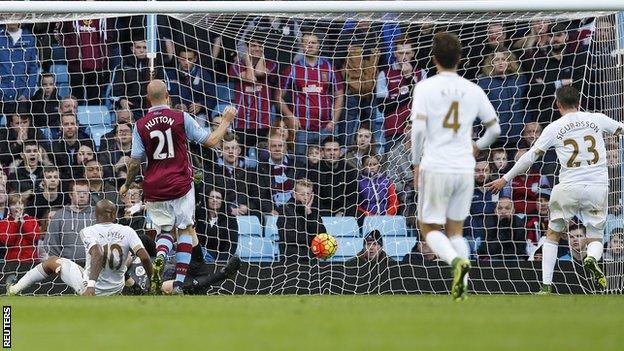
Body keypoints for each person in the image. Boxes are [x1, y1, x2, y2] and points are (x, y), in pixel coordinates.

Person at [487, 85, 623, 293]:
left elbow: (530, 157)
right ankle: (592, 258)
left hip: (568, 187)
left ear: (558, 104)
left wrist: (505, 179)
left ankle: (546, 285)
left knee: (552, 234)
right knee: (595, 236)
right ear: (580, 102)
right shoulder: (597, 119)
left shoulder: (554, 127)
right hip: (597, 187)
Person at [120, 79, 234, 294]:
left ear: (147, 99)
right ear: (168, 97)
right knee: (183, 231)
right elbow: (210, 141)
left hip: (154, 186)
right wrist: (226, 121)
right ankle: (179, 281)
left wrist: (127, 185)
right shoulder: (181, 117)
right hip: (180, 183)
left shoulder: (139, 125)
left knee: (164, 230)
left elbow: (135, 161)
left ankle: (161, 256)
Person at [410, 32, 501, 301]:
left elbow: (417, 131)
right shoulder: (473, 89)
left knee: (428, 229)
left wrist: (416, 164)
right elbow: (494, 129)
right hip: (464, 167)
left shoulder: (425, 87)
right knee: (456, 230)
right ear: (459, 58)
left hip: (436, 164)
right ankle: (463, 288)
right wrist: (476, 147)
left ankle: (455, 263)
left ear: (433, 58)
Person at [6, 199, 153, 296]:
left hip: (93, 289)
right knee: (118, 260)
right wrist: (153, 280)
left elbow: (97, 255)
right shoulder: (128, 230)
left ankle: (13, 290)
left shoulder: (88, 231)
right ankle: (135, 288)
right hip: (116, 287)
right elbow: (145, 257)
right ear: (114, 214)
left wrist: (91, 286)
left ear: (95, 215)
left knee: (51, 261)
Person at [278, 31, 344, 155]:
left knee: (326, 166)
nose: (310, 45)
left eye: (313, 43)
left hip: (325, 128)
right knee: (302, 165)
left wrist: (334, 121)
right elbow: (278, 96)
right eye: (306, 43)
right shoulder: (293, 69)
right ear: (301, 46)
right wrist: (290, 116)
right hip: (302, 129)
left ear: (319, 45)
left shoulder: (329, 68)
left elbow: (339, 95)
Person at [229, 34, 277, 149]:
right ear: (247, 47)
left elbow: (260, 73)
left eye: (260, 46)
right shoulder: (236, 66)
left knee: (263, 158)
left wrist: (261, 57)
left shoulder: (272, 64)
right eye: (253, 45)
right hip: (242, 122)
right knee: (241, 156)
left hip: (263, 123)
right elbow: (251, 79)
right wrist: (247, 58)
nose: (257, 48)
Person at [42, 180, 95, 267]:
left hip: (94, 266)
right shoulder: (59, 215)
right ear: (70, 195)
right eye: (78, 193)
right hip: (67, 267)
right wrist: (61, 263)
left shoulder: (97, 215)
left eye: (85, 193)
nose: (82, 196)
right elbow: (50, 243)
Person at [277, 178, 324, 261]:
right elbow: (290, 237)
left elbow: (322, 235)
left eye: (308, 194)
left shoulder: (313, 212)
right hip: (291, 260)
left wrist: (309, 214)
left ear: (312, 195)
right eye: (302, 194)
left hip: (312, 259)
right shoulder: (285, 210)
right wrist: (313, 238)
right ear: (294, 194)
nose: (306, 198)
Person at [0, 22, 39, 114]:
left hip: (21, 96)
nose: (13, 17)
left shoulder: (29, 38)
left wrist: (27, 93)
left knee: (20, 126)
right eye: (10, 14)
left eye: (16, 14)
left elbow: (33, 69)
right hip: (1, 93)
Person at [195, 188, 238, 262]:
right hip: (199, 257)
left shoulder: (230, 219)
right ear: (207, 199)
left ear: (222, 201)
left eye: (218, 198)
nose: (214, 200)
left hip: (220, 258)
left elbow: (231, 246)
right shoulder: (198, 216)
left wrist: (220, 262)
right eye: (212, 197)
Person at [0, 194, 42, 263]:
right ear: (9, 207)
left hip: (30, 261)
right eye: (13, 204)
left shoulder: (32, 220)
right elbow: (7, 242)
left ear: (24, 206)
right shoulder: (4, 222)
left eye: (20, 203)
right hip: (12, 262)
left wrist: (24, 223)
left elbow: (35, 238)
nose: (17, 206)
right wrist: (15, 223)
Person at [357, 154, 398, 223]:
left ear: (379, 165)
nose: (372, 167)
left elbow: (394, 201)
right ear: (363, 166)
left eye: (375, 164)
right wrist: (367, 215)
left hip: (388, 218)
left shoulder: (387, 181)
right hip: (367, 219)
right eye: (369, 165)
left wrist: (388, 215)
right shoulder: (358, 182)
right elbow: (357, 205)